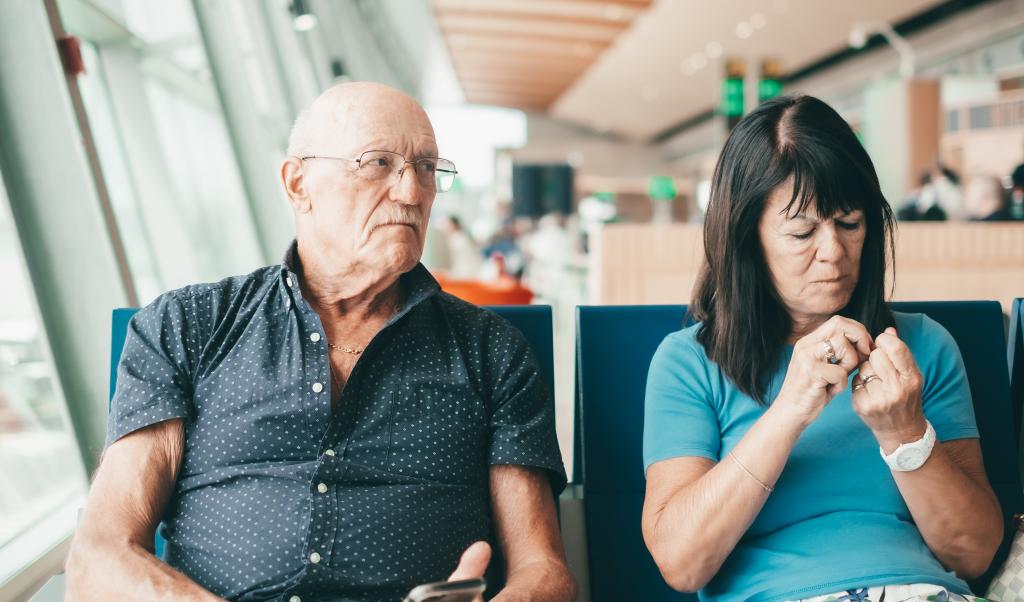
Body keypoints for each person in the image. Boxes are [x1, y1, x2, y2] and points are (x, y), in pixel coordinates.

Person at [65, 82, 575, 602]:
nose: (411, 192)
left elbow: (545, 570)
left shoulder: (491, 351)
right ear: (297, 183)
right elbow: (99, 557)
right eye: (378, 163)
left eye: (426, 168)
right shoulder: (187, 326)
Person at [642, 95, 1002, 602]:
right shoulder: (690, 363)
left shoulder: (922, 346)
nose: (833, 252)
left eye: (849, 224)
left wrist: (905, 433)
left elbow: (973, 554)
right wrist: (791, 408)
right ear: (748, 239)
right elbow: (681, 563)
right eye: (802, 232)